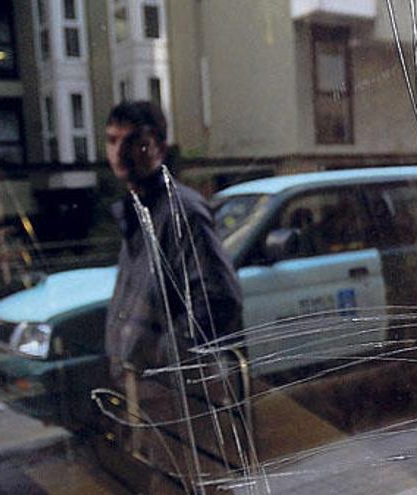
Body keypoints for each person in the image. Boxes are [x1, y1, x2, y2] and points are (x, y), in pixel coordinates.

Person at [102, 101, 242, 486]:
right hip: (154, 399)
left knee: (191, 483)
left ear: (160, 148)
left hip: (179, 399)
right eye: (112, 141)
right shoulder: (137, 213)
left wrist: (160, 365)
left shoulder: (181, 211)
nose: (120, 152)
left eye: (134, 142)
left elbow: (219, 300)